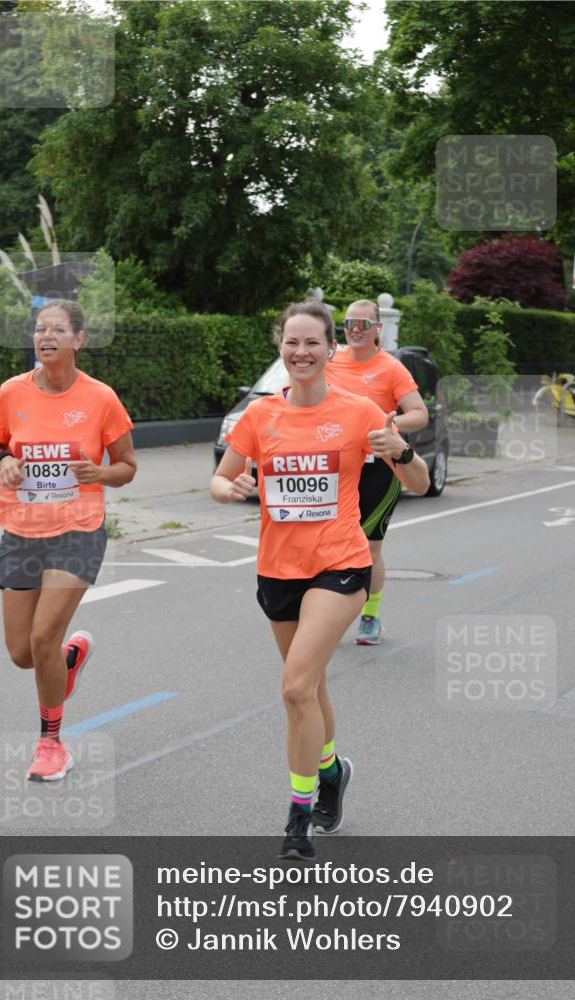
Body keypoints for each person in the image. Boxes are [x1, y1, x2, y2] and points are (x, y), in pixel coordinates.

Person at [210, 300, 429, 859]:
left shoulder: (359, 412)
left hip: (340, 564)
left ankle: (298, 817)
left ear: (331, 349)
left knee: (293, 687)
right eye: (292, 342)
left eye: (313, 343)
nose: (301, 352)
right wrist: (227, 489)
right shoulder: (260, 417)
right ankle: (330, 769)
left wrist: (400, 449)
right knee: (311, 687)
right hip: (278, 569)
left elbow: (420, 482)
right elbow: (219, 478)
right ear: (280, 348)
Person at [0, 299, 136, 782]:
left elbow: (127, 466)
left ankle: (51, 744)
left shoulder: (101, 398)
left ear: (78, 339)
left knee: (44, 635)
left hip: (78, 529)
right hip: (21, 531)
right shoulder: (13, 392)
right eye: (39, 329)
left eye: (56, 329)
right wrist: (2, 460)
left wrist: (101, 472)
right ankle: (66, 661)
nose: (45, 336)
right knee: (23, 653)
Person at [327, 299, 429, 645]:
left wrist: (387, 427)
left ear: (377, 329)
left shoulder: (391, 368)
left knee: (370, 548)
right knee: (328, 544)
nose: (355, 329)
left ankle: (369, 615)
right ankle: (327, 610)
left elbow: (419, 413)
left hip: (378, 468)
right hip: (338, 468)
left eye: (363, 323)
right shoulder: (331, 361)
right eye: (349, 322)